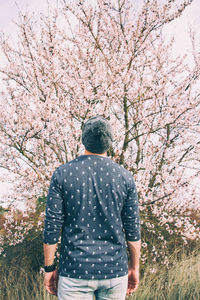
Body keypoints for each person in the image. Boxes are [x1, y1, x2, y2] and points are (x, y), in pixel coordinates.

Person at [43, 115, 141, 300]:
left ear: (83, 139)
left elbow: (52, 227)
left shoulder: (63, 174)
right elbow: (133, 230)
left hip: (74, 271)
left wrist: (49, 269)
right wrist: (134, 268)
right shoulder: (125, 177)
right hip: (114, 271)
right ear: (110, 142)